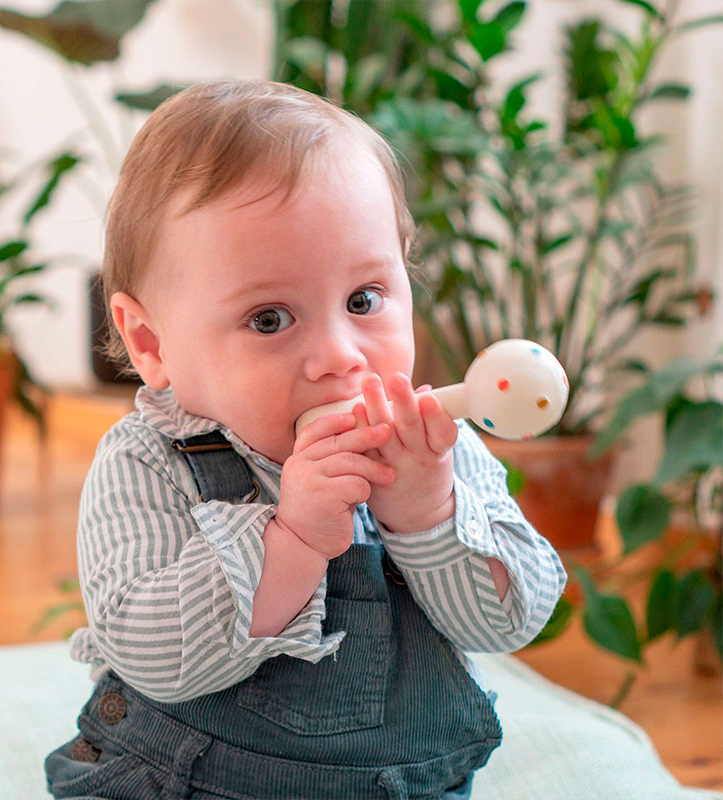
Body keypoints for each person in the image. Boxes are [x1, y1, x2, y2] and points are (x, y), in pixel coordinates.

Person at [45, 79, 566, 800]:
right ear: (150, 341)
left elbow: (509, 620)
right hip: (182, 782)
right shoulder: (147, 461)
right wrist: (291, 540)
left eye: (363, 301)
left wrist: (427, 514)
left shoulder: (432, 454)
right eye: (269, 319)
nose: (340, 357)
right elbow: (153, 651)